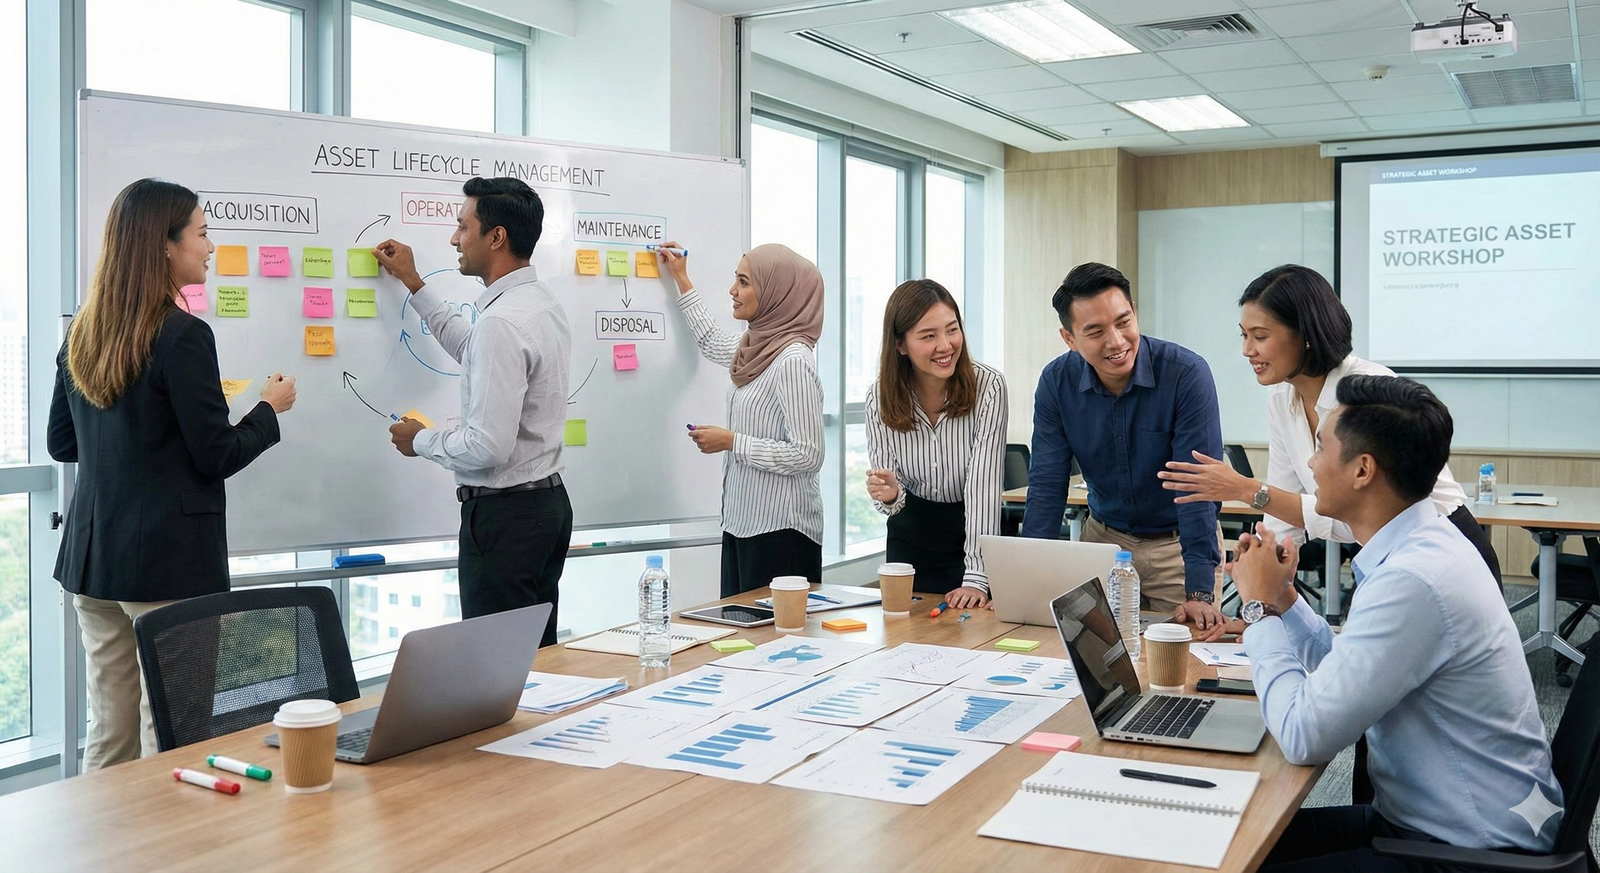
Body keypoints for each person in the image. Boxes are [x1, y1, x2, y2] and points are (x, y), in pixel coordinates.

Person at [1233, 374, 1561, 871]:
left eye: (1321, 447)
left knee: (1230, 856)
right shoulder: (1422, 545)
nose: (1311, 464)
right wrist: (1283, 599)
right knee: (1232, 841)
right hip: (1436, 824)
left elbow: (1302, 736)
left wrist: (1256, 608)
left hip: (1472, 853)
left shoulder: (1414, 579)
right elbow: (1343, 674)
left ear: (1363, 469)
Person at [49, 178, 297, 770]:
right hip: (166, 568)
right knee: (175, 731)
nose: (211, 247)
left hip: (93, 562)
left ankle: (109, 855)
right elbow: (216, 456)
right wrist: (268, 410)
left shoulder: (84, 329)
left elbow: (64, 443)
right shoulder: (184, 336)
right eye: (204, 233)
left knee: (110, 730)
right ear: (166, 245)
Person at [1159, 264, 1500, 640]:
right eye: (1243, 335)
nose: (1247, 350)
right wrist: (1263, 605)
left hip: (1440, 548)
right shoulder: (1281, 398)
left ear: (1305, 335)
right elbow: (1283, 517)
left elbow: (1368, 509)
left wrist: (1246, 490)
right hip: (1381, 556)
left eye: (1260, 336)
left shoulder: (1368, 394)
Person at [372, 177, 571, 648]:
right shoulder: (537, 304)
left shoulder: (502, 321)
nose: (454, 239)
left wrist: (418, 440)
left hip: (506, 522)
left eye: (463, 227)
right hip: (542, 509)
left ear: (496, 237)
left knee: (498, 666)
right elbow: (473, 347)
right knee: (533, 665)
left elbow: (487, 446)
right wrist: (415, 284)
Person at [1022, 262, 1228, 630]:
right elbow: (1047, 485)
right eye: (1095, 331)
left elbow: (1197, 488)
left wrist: (1199, 591)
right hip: (1104, 542)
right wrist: (1029, 579)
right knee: (1093, 662)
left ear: (1134, 312)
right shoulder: (1057, 382)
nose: (1116, 341)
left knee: (1182, 667)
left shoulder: (1185, 374)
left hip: (1177, 549)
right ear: (1069, 338)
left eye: (1123, 322)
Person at [659, 240, 824, 596]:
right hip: (742, 524)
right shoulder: (755, 345)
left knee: (773, 646)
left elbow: (809, 454)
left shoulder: (792, 360)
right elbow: (710, 340)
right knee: (741, 638)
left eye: (745, 282)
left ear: (778, 292)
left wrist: (732, 442)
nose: (733, 290)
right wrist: (681, 278)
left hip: (780, 534)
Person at [864, 279, 1006, 609]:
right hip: (910, 538)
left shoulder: (989, 386)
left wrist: (976, 576)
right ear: (901, 345)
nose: (946, 345)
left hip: (970, 536)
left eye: (952, 330)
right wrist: (891, 494)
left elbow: (981, 488)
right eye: (929, 336)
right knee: (907, 643)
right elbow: (891, 498)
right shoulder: (880, 397)